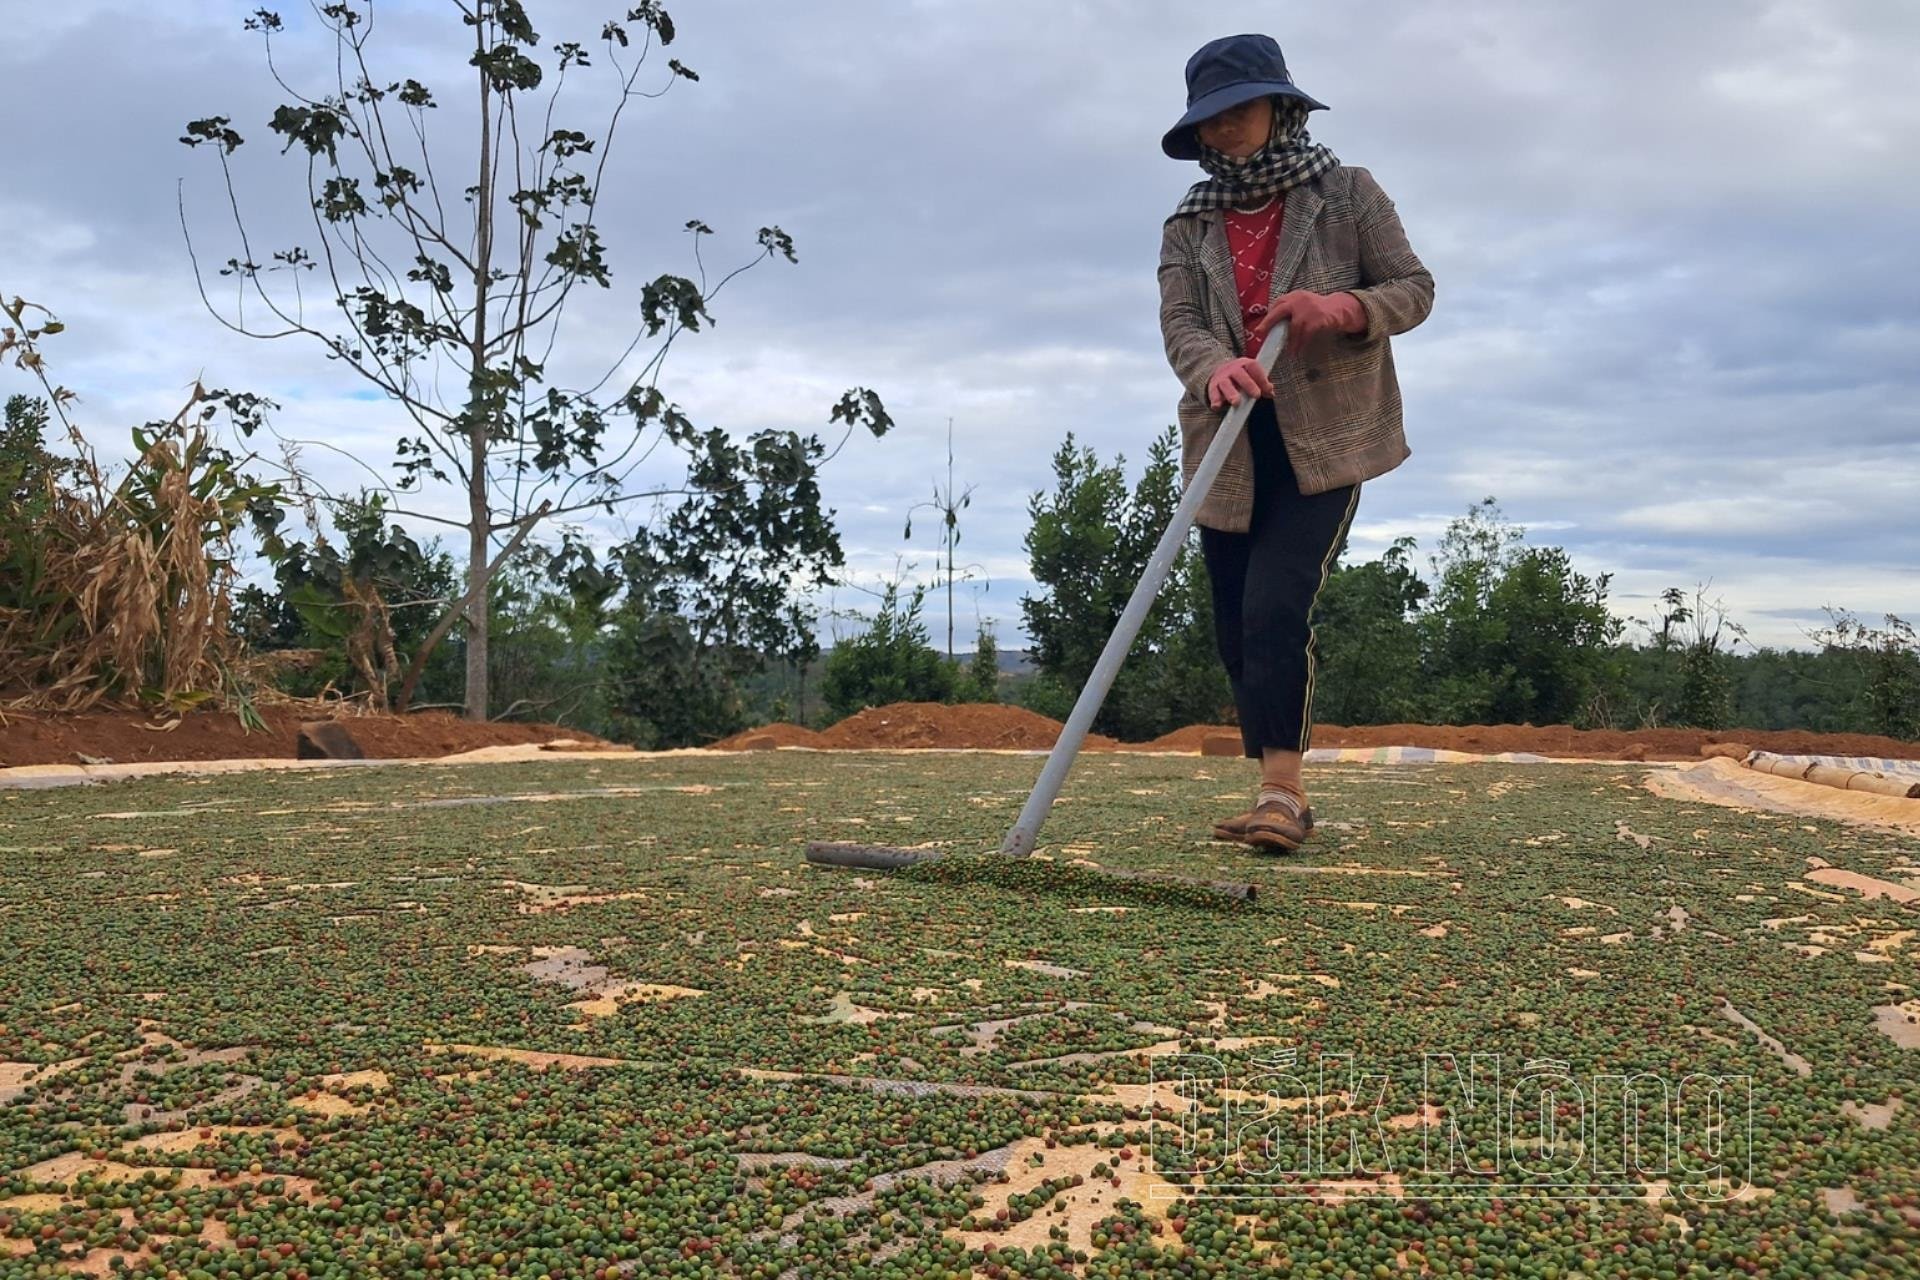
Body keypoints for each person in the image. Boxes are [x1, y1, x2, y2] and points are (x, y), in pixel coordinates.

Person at [1157, 34, 1433, 853]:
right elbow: (1180, 324)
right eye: (1209, 118)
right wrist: (1215, 367)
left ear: (1281, 106)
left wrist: (1338, 310)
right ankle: (1268, 780)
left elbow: (1413, 289)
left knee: (1277, 606)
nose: (1225, 129)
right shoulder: (1188, 223)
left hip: (1326, 439)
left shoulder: (1346, 194)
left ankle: (1284, 793)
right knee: (1235, 626)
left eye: (1239, 108)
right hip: (1228, 442)